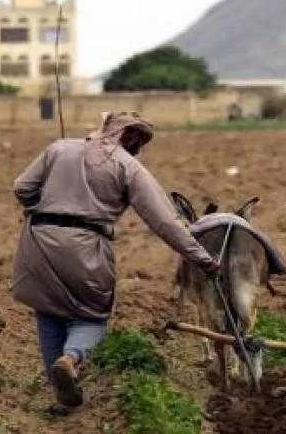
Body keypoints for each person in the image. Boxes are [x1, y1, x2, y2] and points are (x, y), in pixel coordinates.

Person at [11, 111, 219, 409]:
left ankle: (61, 393)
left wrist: (42, 208)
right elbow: (165, 222)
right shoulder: (128, 166)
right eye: (138, 141)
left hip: (37, 241)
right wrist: (203, 259)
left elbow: (22, 188)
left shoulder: (58, 148)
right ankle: (70, 358)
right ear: (130, 137)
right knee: (93, 314)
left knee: (47, 309)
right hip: (86, 246)